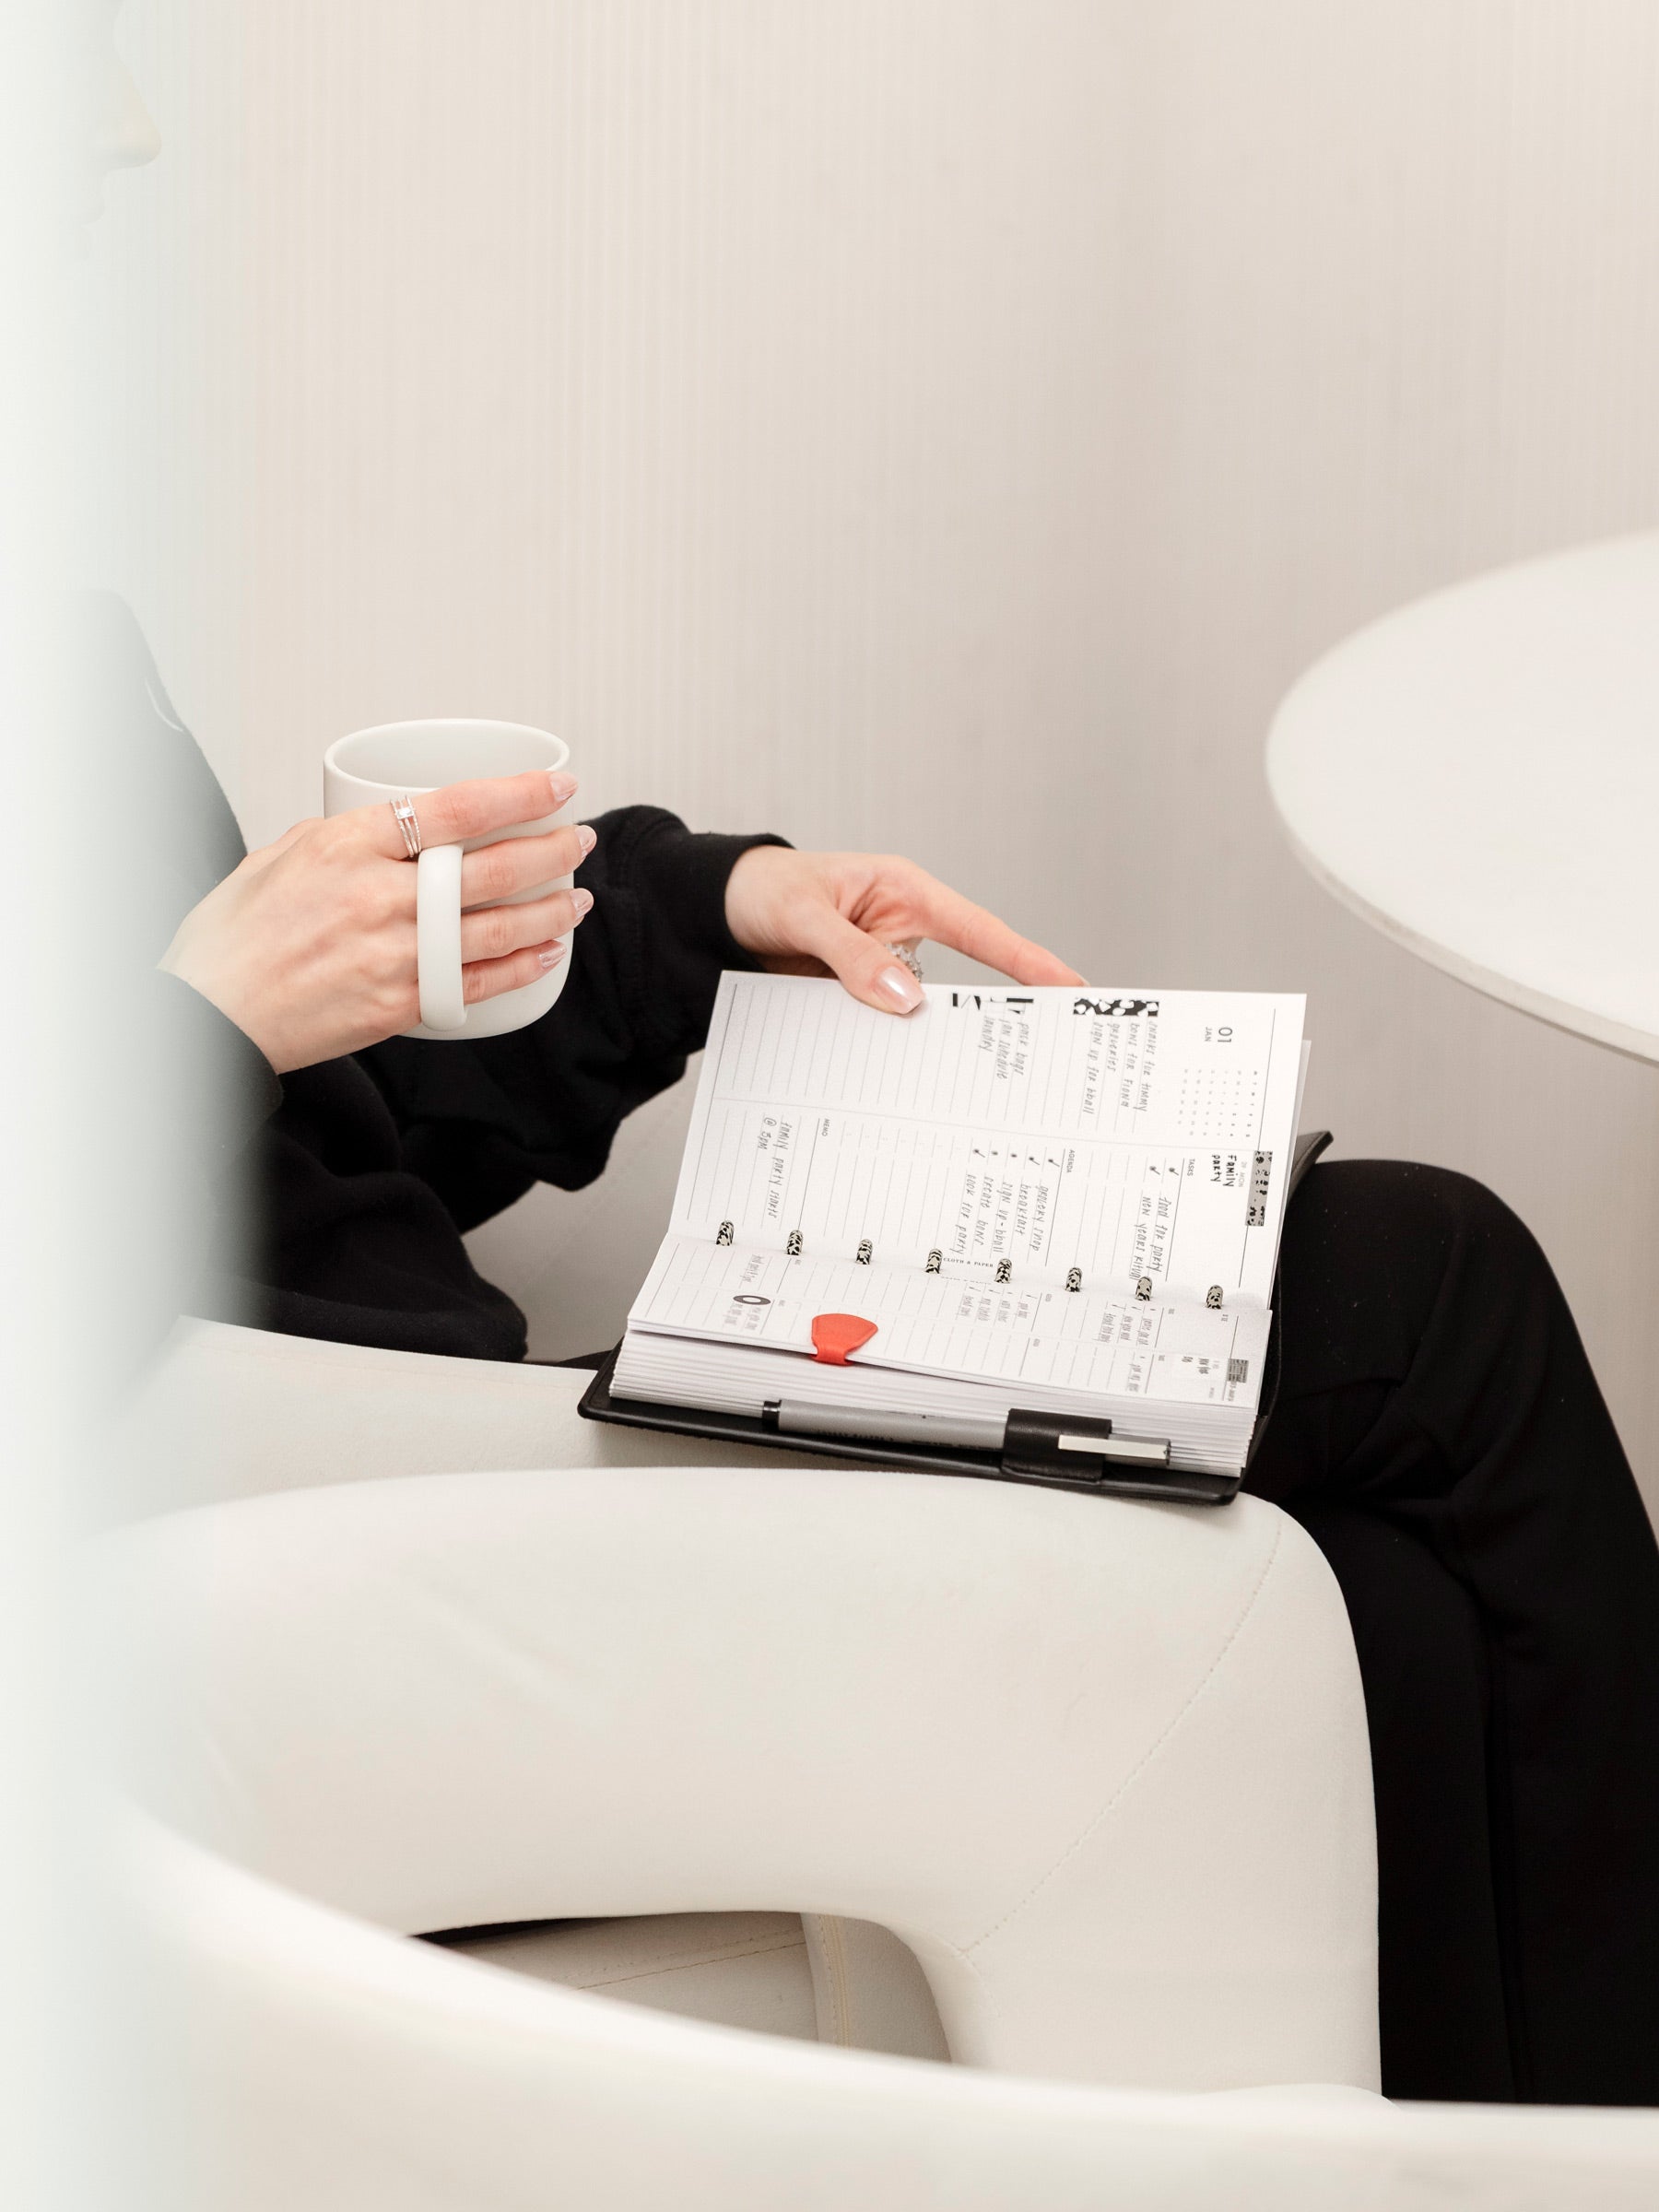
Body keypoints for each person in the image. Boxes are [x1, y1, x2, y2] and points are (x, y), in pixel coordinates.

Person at [85, 13, 1659, 2112]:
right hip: (379, 1519)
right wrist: (204, 1020)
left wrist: (701, 911)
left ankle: (1521, 2138)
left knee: (1392, 1572)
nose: (120, 138)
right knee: (1430, 1295)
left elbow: (307, 1151)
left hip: (399, 1424)